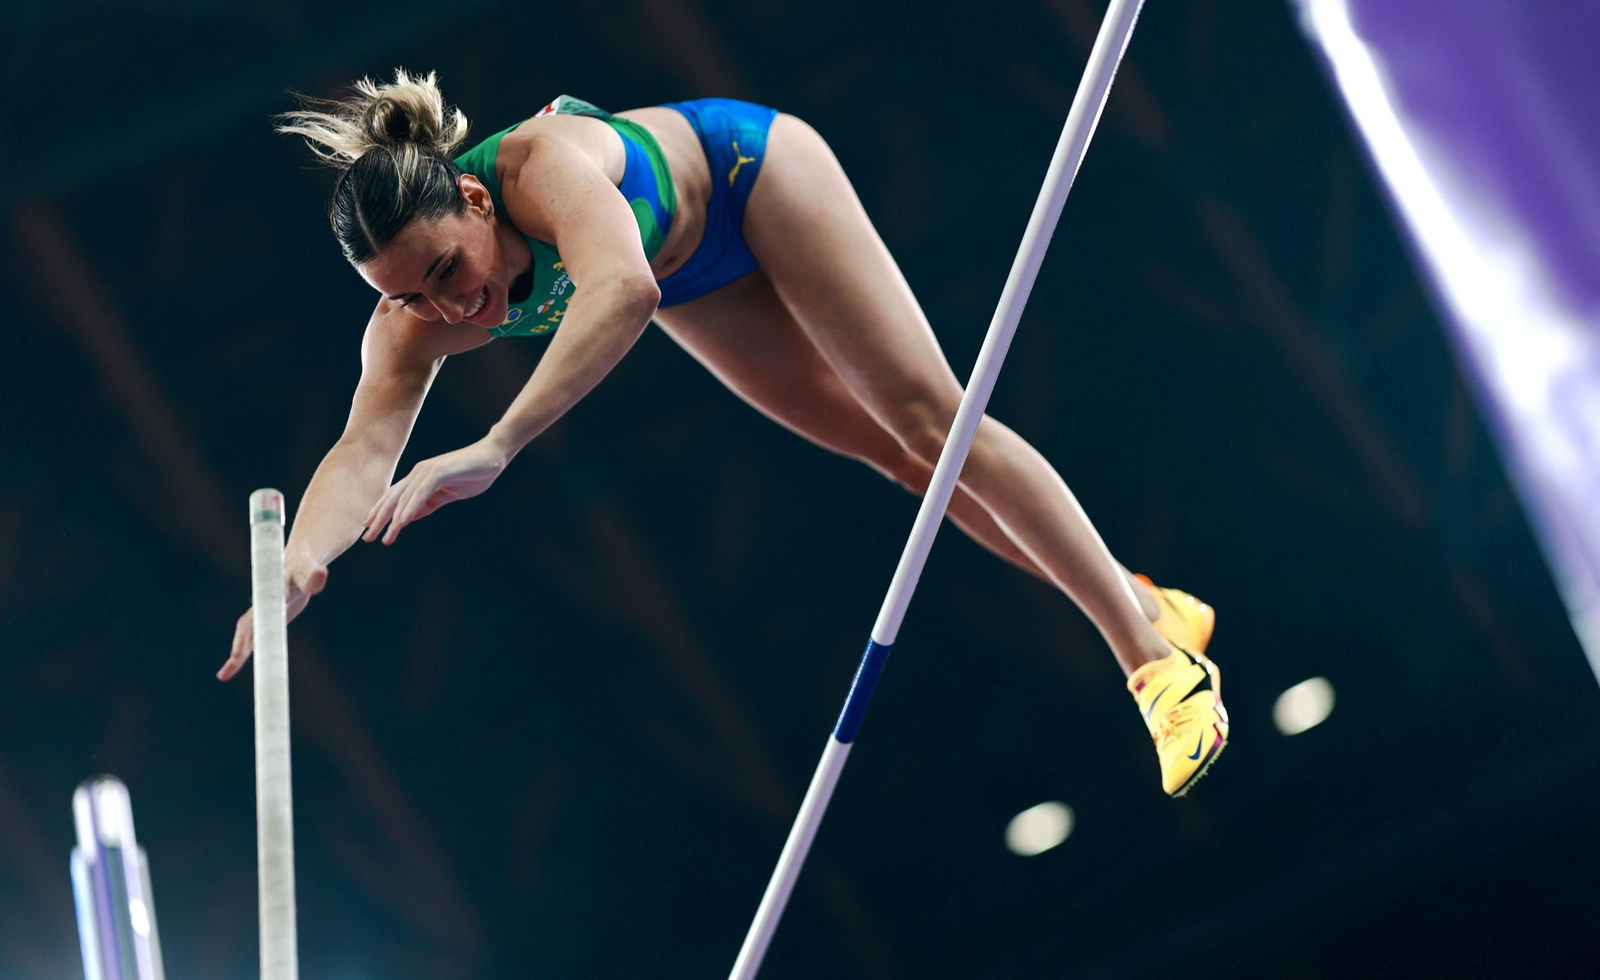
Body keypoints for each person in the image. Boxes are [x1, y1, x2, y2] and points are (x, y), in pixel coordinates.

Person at [218, 70, 1228, 796]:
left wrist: (499, 443)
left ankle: (1156, 665)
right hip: (701, 277)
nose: (448, 309)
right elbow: (363, 449)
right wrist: (294, 567)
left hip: (754, 176)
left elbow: (623, 290)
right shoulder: (410, 322)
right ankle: (1143, 602)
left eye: (447, 271)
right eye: (410, 297)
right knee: (899, 459)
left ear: (475, 201)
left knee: (932, 422)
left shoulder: (534, 166)